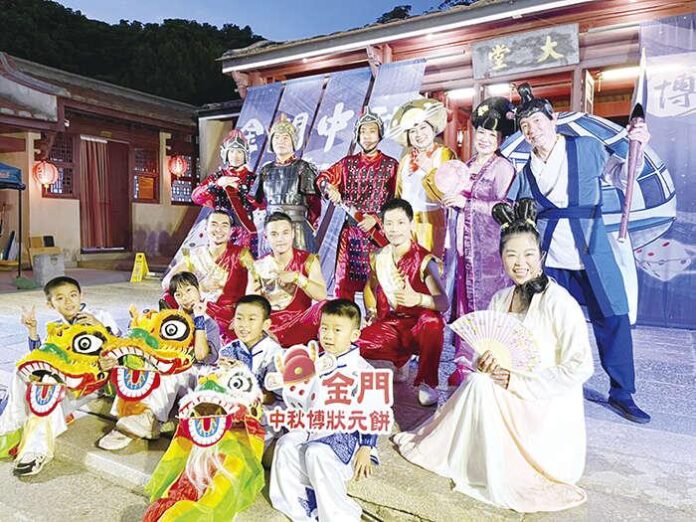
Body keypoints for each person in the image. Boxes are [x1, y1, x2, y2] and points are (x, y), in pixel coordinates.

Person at [395, 199, 593, 513]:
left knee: (480, 387)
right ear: (501, 258)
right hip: (505, 390)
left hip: (544, 403)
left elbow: (581, 366)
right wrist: (484, 362)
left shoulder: (559, 302)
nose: (520, 263)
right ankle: (461, 457)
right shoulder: (501, 298)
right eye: (511, 255)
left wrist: (519, 381)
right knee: (477, 381)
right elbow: (489, 350)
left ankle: (496, 464)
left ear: (541, 256)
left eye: (528, 254)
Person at [509, 83, 650, 423]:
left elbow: (622, 175)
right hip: (549, 255)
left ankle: (622, 392)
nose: (532, 130)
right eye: (525, 126)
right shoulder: (526, 170)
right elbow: (518, 210)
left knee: (613, 316)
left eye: (537, 121)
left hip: (592, 247)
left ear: (553, 120)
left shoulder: (586, 147)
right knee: (545, 321)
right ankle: (547, 384)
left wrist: (639, 147)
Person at [269, 299, 377, 522]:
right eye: (324, 328)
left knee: (316, 452)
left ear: (354, 335)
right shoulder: (315, 361)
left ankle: (339, 516)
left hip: (344, 433)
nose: (328, 335)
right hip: (313, 426)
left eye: (337, 330)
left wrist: (367, 446)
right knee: (286, 445)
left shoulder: (363, 370)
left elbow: (372, 410)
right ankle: (302, 508)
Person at [1, 276, 120, 476]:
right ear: (50, 304)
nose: (68, 302)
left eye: (72, 295)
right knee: (23, 370)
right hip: (67, 385)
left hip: (96, 383)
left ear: (81, 295)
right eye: (60, 298)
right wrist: (32, 330)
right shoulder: (57, 328)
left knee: (47, 383)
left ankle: (34, 451)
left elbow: (123, 346)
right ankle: (11, 424)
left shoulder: (100, 315)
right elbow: (41, 358)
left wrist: (100, 326)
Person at [98, 272, 220, 450]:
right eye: (179, 294)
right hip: (171, 368)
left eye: (189, 290)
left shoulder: (209, 323)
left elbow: (201, 355)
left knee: (169, 370)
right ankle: (128, 415)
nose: (185, 298)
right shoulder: (169, 318)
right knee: (140, 364)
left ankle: (150, 419)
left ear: (198, 290)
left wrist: (199, 318)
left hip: (195, 375)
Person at [444, 98, 517, 387]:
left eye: (492, 135)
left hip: (488, 253)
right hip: (463, 248)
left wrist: (467, 204)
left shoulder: (503, 168)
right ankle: (464, 362)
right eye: (482, 133)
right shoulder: (467, 165)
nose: (485, 139)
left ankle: (488, 363)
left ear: (500, 139)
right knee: (463, 305)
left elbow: (506, 207)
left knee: (487, 306)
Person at [357, 199, 448, 407]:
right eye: (389, 223)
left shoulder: (425, 260)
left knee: (432, 322)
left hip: (419, 327)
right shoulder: (379, 257)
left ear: (410, 224)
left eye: (400, 223)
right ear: (382, 225)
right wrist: (371, 313)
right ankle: (400, 361)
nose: (394, 229)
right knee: (355, 345)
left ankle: (427, 382)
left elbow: (443, 302)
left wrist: (418, 299)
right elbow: (369, 287)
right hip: (393, 324)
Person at [317, 108, 398, 300]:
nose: (367, 136)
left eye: (372, 131)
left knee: (380, 287)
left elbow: (398, 200)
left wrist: (376, 219)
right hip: (351, 233)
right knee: (343, 286)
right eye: (363, 131)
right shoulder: (347, 164)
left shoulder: (391, 165)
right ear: (357, 135)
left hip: (378, 234)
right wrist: (330, 188)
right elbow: (322, 178)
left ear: (380, 134)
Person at [162, 209, 252, 342]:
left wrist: (244, 314)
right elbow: (166, 283)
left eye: (224, 225)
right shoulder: (196, 255)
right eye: (214, 224)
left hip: (229, 314)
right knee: (169, 297)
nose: (219, 230)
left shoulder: (242, 255)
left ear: (231, 231)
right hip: (200, 308)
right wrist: (199, 286)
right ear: (205, 228)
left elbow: (257, 286)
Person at [247, 212, 327, 347]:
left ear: (293, 234)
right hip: (270, 329)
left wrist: (298, 277)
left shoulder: (308, 260)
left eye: (285, 233)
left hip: (301, 326)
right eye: (274, 234)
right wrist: (263, 331)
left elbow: (322, 296)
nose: (280, 239)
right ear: (266, 237)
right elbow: (251, 304)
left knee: (326, 306)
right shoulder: (258, 266)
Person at [390, 99, 457, 259]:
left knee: (431, 267)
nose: (419, 134)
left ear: (432, 128)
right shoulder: (405, 160)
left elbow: (449, 192)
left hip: (433, 223)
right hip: (406, 224)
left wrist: (429, 168)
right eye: (413, 131)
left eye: (422, 127)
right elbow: (399, 195)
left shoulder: (444, 153)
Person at [252, 114, 321, 252]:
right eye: (276, 138)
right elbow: (258, 202)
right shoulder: (265, 170)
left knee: (299, 265)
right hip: (272, 229)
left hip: (297, 229)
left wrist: (309, 226)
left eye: (285, 138)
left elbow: (314, 203)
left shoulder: (303, 167)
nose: (280, 142)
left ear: (293, 141)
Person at [191, 129, 258, 253]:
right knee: (218, 260)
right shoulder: (218, 176)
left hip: (243, 230)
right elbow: (196, 197)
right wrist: (217, 184)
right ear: (226, 154)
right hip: (219, 229)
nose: (235, 156)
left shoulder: (252, 178)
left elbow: (260, 202)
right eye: (231, 151)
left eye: (239, 152)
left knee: (243, 261)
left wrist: (239, 187)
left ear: (245, 155)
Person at [219, 294, 282, 399]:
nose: (244, 324)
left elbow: (272, 395)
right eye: (239, 318)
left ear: (265, 324)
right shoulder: (227, 351)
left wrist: (243, 372)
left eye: (251, 319)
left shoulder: (275, 353)